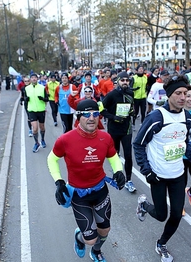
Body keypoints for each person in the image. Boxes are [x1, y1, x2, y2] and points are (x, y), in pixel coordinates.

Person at [133, 75, 191, 262]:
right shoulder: (156, 117)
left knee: (176, 214)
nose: (183, 97)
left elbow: (185, 144)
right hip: (157, 175)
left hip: (177, 174)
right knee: (160, 215)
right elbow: (138, 144)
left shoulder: (187, 117)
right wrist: (146, 171)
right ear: (169, 95)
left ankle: (162, 243)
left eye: (185, 93)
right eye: (178, 93)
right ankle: (144, 205)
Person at [47, 99, 126, 262]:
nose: (91, 118)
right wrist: (59, 181)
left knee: (104, 230)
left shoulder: (105, 137)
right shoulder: (66, 140)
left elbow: (113, 157)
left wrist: (118, 171)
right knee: (89, 239)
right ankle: (79, 237)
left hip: (100, 190)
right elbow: (51, 159)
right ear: (78, 117)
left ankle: (96, 251)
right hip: (79, 194)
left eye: (95, 114)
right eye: (86, 115)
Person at [100, 72, 137, 193]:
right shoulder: (111, 95)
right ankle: (117, 173)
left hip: (126, 129)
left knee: (128, 155)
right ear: (118, 82)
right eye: (123, 80)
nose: (125, 82)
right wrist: (113, 117)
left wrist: (132, 113)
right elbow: (101, 109)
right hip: (114, 129)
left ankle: (129, 180)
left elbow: (131, 108)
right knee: (114, 153)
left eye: (127, 80)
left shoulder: (131, 93)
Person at [24, 73, 49, 153]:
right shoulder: (27, 88)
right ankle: (36, 143)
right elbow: (24, 98)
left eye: (35, 78)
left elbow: (47, 99)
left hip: (41, 110)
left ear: (37, 79)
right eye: (32, 78)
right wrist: (26, 99)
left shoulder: (42, 88)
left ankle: (42, 139)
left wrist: (43, 99)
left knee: (42, 127)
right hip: (32, 110)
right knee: (35, 128)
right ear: (30, 79)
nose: (34, 79)